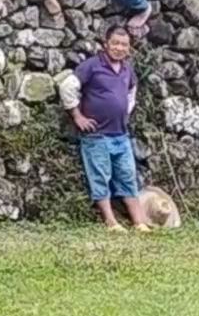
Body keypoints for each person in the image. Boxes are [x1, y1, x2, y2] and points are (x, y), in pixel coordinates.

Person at [60, 24, 153, 231]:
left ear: (129, 48)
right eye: (116, 43)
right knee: (100, 177)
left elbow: (131, 92)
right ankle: (111, 222)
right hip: (96, 135)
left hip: (121, 134)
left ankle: (139, 222)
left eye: (124, 45)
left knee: (128, 177)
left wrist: (124, 111)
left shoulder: (128, 69)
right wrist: (77, 116)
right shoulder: (92, 66)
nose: (119, 48)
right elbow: (67, 86)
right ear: (106, 44)